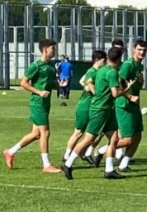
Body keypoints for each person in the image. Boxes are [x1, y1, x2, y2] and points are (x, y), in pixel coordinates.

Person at [62, 46, 132, 180]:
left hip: (107, 109)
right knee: (88, 139)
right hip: (100, 109)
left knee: (114, 138)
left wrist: (97, 91)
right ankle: (68, 163)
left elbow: (88, 81)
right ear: (119, 59)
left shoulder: (101, 70)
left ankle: (109, 170)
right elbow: (115, 94)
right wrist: (127, 89)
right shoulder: (111, 72)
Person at [4, 39, 61, 173]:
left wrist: (58, 85)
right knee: (45, 133)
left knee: (36, 134)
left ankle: (10, 152)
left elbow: (49, 84)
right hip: (38, 103)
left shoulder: (50, 67)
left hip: (46, 103)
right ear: (45, 49)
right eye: (53, 48)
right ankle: (46, 165)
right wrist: (39, 92)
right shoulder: (35, 66)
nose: (55, 51)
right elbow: (23, 83)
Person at [63, 50, 107, 164]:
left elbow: (82, 81)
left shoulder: (95, 71)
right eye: (104, 60)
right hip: (85, 106)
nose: (106, 62)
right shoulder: (92, 71)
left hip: (93, 106)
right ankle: (66, 156)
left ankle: (86, 153)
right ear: (97, 60)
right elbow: (87, 87)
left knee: (96, 132)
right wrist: (99, 93)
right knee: (78, 132)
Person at [114, 40, 146, 172]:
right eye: (139, 49)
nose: (142, 52)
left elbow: (135, 84)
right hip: (124, 105)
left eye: (144, 50)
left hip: (134, 105)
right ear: (133, 49)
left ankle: (124, 164)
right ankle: (102, 150)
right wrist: (129, 96)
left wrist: (141, 82)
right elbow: (118, 82)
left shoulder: (139, 66)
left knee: (137, 136)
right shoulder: (128, 65)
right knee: (127, 140)